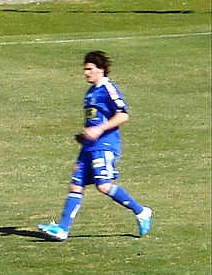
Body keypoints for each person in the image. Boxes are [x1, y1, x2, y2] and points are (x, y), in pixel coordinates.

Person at [37, 51, 152, 241]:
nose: (86, 73)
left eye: (90, 69)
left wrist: (99, 129)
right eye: (85, 69)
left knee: (103, 185)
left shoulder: (108, 88)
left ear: (101, 70)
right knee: (75, 185)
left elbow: (123, 115)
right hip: (89, 147)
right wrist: (85, 135)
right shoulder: (90, 93)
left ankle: (141, 212)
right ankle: (63, 229)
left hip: (105, 145)